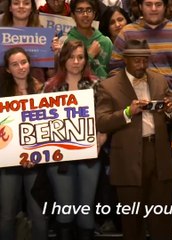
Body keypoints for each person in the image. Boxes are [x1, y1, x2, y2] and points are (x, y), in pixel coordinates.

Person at [96, 39, 172, 240]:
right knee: (132, 222)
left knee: (162, 220)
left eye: (145, 60)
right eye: (137, 61)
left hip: (158, 154)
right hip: (127, 159)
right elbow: (101, 122)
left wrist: (171, 109)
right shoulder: (108, 86)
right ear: (126, 60)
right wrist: (128, 111)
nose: (142, 65)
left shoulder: (159, 80)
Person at [42, 40, 105, 240]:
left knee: (86, 209)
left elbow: (104, 118)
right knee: (65, 208)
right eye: (71, 57)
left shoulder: (96, 85)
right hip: (60, 157)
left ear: (86, 60)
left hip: (89, 154)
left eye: (80, 57)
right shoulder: (50, 87)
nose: (76, 62)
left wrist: (101, 139)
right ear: (63, 59)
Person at [0, 47, 47, 240]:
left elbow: (48, 126)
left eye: (24, 62)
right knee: (7, 213)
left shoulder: (42, 89)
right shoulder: (1, 92)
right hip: (7, 162)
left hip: (35, 160)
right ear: (8, 70)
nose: (20, 67)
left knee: (38, 214)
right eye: (14, 64)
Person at [109, 0, 172, 107]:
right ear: (140, 6)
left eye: (158, 4)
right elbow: (114, 71)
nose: (153, 9)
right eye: (148, 4)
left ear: (165, 7)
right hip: (137, 106)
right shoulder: (126, 33)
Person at [65, 0, 113, 80]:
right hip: (79, 90)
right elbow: (68, 74)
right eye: (80, 11)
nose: (85, 14)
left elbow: (114, 72)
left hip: (104, 89)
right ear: (73, 15)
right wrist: (90, 55)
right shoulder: (67, 42)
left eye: (89, 10)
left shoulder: (105, 42)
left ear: (94, 14)